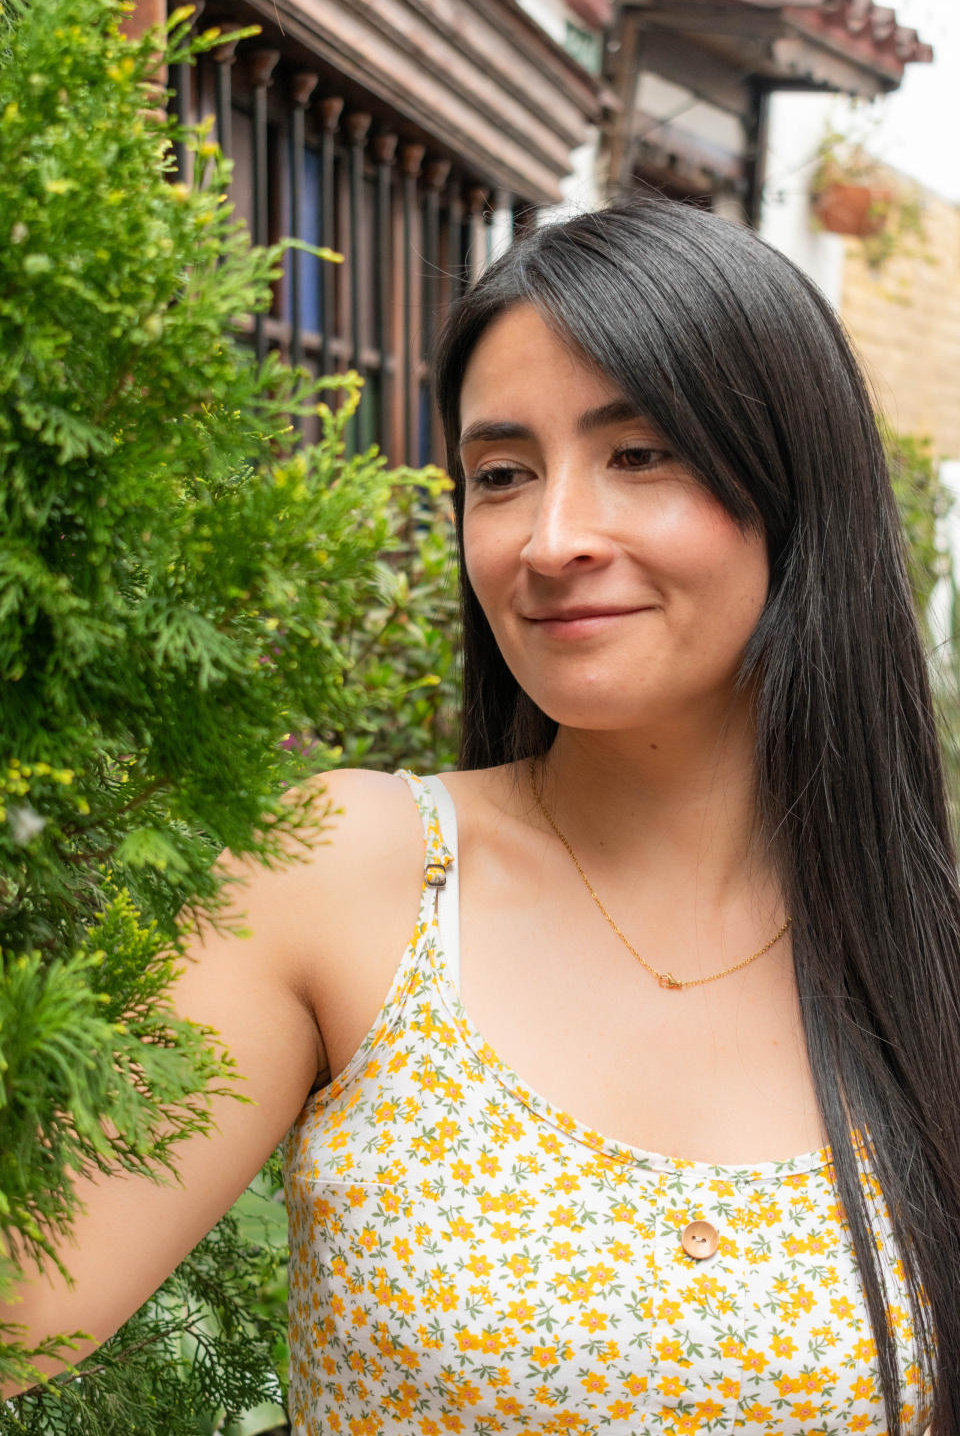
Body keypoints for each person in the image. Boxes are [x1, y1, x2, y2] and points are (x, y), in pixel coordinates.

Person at [2, 198, 956, 1434]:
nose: (550, 541)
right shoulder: (349, 875)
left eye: (640, 455)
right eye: (501, 476)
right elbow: (23, 1297)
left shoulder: (922, 963)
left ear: (797, 486)